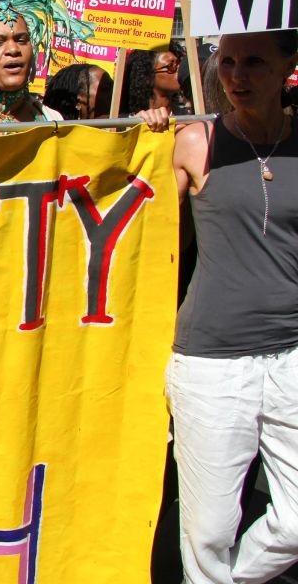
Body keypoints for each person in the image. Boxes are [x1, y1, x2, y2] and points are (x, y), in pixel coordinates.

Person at [138, 29, 298, 584]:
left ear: (286, 69)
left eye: (254, 62)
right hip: (210, 364)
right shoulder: (196, 140)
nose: (236, 76)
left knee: (296, 524)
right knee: (206, 534)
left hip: (293, 360)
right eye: (227, 62)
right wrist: (148, 141)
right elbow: (132, 215)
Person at [120, 42, 190, 115]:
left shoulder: (187, 119)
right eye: (171, 65)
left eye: (180, 63)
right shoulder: (126, 123)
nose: (180, 68)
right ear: (147, 75)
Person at [43, 63, 113, 120]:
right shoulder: (51, 134)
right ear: (77, 101)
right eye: (105, 89)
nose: (113, 94)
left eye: (113, 87)